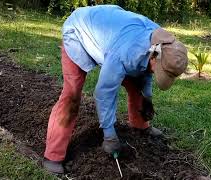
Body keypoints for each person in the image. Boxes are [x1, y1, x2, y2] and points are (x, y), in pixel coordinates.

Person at [43, 5, 188, 174]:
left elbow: (147, 72)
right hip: (79, 30)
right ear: (154, 56)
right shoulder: (125, 54)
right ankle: (53, 156)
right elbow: (104, 93)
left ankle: (141, 126)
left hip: (112, 32)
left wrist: (147, 98)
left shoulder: (161, 41)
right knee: (72, 95)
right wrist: (110, 135)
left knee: (138, 85)